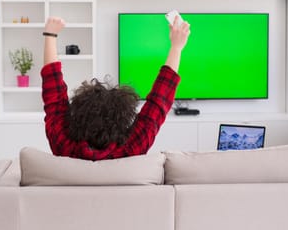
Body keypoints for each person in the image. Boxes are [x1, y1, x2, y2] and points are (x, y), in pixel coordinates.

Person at [41, 15, 190, 160]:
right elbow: (159, 101)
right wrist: (176, 47)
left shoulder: (64, 146)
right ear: (124, 119)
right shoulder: (132, 148)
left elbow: (53, 96)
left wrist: (50, 34)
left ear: (78, 117)